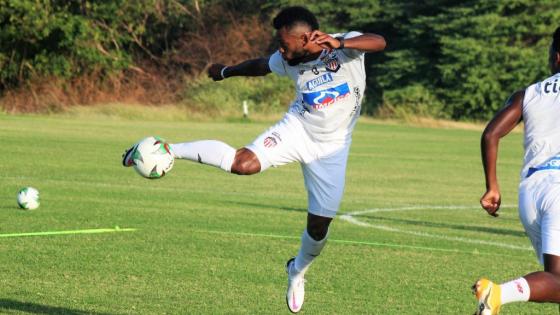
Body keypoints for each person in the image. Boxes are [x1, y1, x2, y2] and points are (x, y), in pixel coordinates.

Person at [123, 6, 385, 313]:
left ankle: (297, 270)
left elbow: (378, 41)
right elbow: (261, 65)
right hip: (297, 130)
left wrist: (340, 44)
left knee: (318, 229)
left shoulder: (346, 46)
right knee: (242, 163)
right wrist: (226, 72)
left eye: (285, 46)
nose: (281, 52)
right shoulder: (288, 59)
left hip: (333, 150)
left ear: (307, 38)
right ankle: (167, 148)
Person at [474, 27, 560, 314]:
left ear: (557, 57)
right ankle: (497, 293)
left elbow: (491, 134)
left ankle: (498, 295)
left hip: (532, 192)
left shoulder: (530, 93)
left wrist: (492, 186)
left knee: (557, 281)